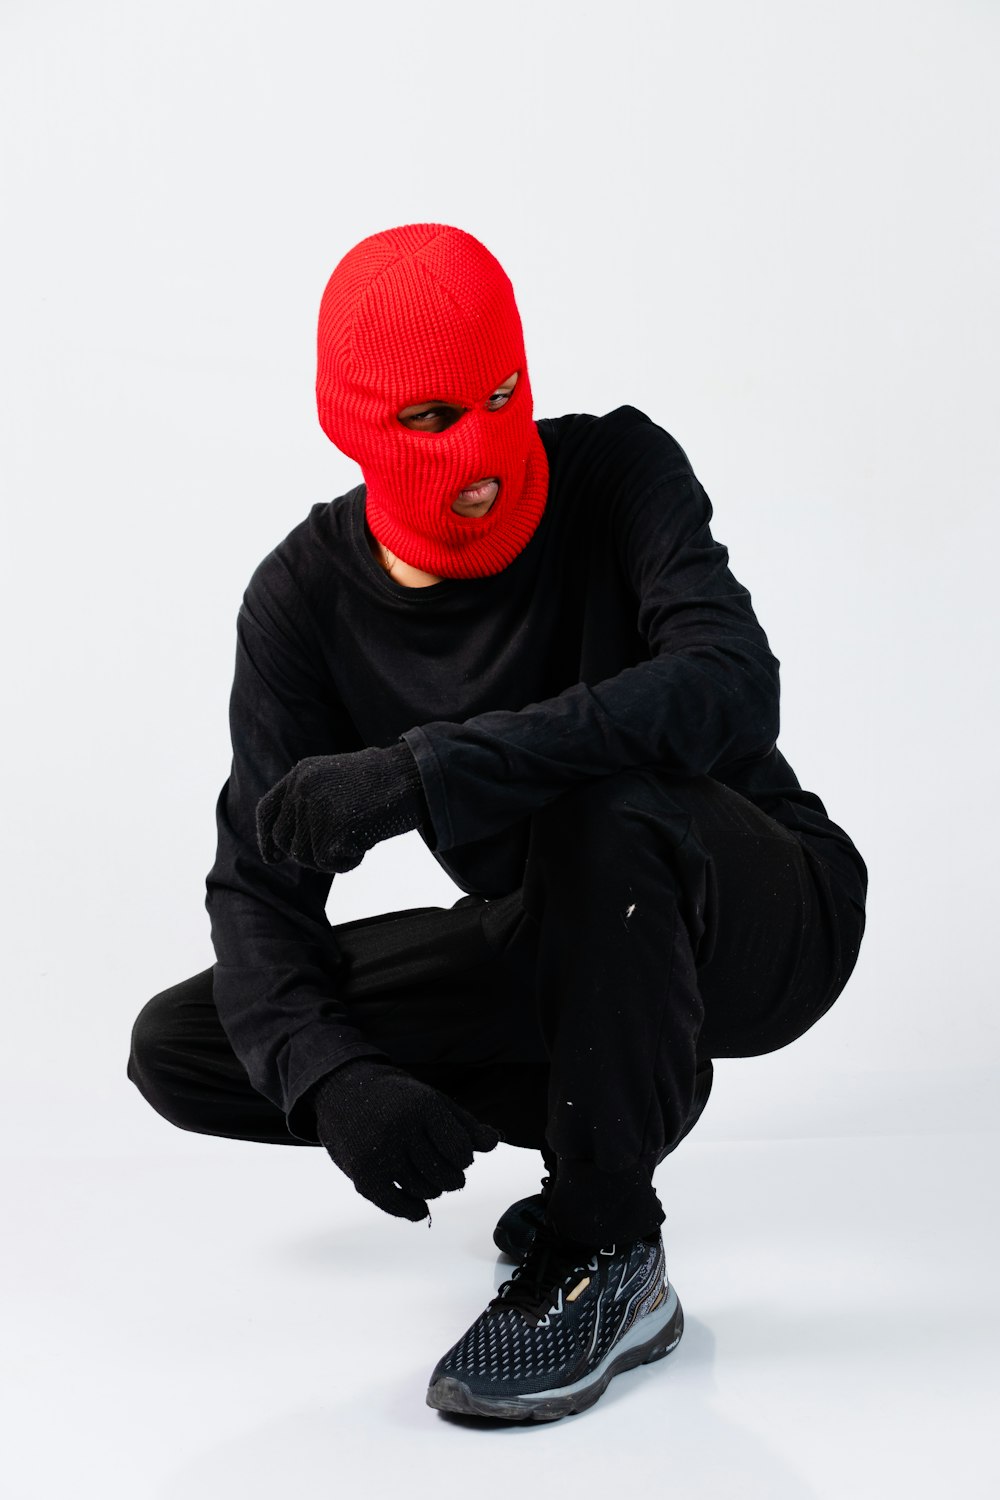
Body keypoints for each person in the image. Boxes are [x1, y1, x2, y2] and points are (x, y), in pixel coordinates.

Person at [127, 222, 868, 1422]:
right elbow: (257, 894)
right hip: (565, 941)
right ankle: (603, 1114)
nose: (476, 446)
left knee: (602, 807)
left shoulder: (620, 473)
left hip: (762, 913)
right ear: (356, 423)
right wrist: (336, 1084)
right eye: (429, 419)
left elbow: (730, 681)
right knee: (190, 1042)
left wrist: (426, 772)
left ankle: (604, 1239)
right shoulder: (302, 601)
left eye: (502, 394)